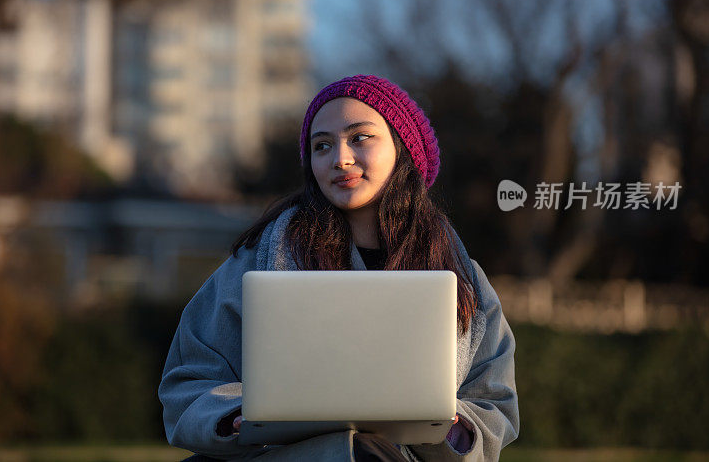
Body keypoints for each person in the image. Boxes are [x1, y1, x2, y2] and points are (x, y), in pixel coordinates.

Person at [159, 75, 519, 461]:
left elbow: (493, 401)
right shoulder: (255, 261)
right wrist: (232, 416)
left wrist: (452, 429)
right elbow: (189, 380)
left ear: (404, 148)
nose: (340, 158)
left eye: (360, 137)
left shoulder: (461, 277)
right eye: (322, 145)